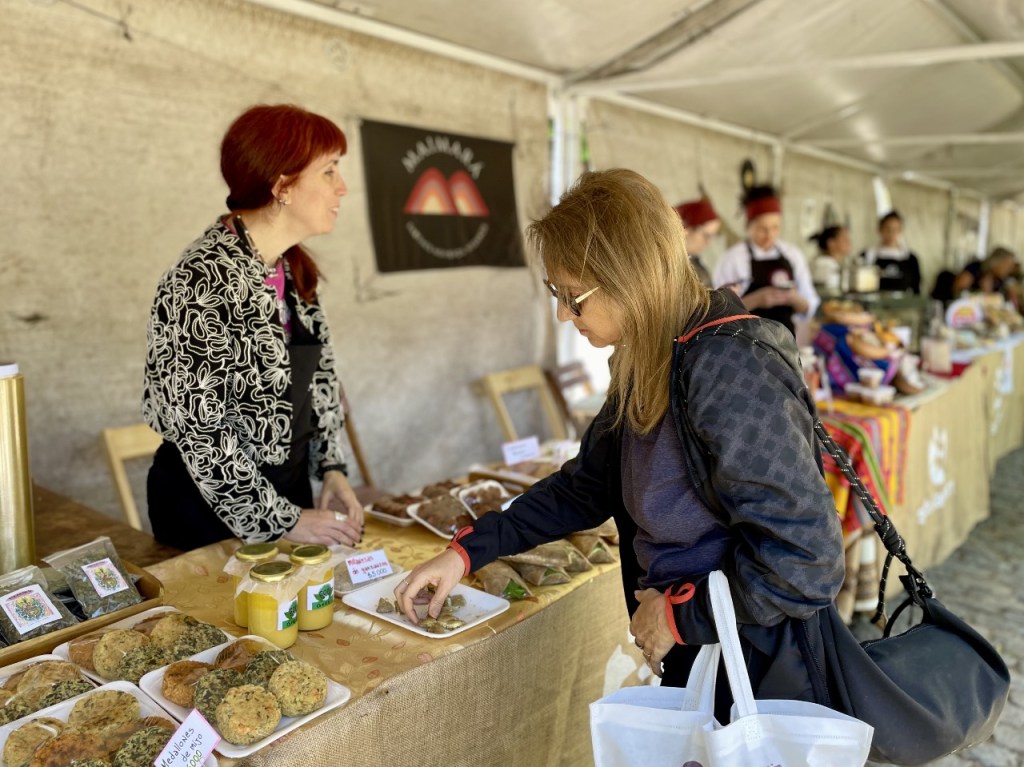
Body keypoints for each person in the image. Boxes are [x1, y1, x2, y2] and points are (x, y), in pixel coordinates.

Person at [396, 169, 844, 712]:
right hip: (701, 647)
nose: (563, 314)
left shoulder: (729, 366)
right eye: (555, 294)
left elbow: (807, 559)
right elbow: (587, 486)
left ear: (627, 276)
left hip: (754, 664)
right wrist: (466, 553)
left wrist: (680, 615)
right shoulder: (646, 355)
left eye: (572, 296)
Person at [142, 104, 364, 552]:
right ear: (283, 185)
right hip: (208, 512)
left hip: (291, 495)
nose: (342, 188)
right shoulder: (200, 280)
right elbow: (202, 432)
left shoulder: (291, 270)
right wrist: (283, 520)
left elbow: (318, 380)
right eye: (328, 172)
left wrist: (332, 467)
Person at [712, 185, 819, 337]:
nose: (770, 235)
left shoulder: (792, 255)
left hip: (785, 344)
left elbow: (810, 307)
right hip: (744, 342)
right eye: (762, 228)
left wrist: (793, 298)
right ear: (748, 226)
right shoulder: (732, 259)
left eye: (775, 227)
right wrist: (756, 300)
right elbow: (718, 314)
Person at [860, 210, 921, 294]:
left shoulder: (911, 259)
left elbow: (916, 289)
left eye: (895, 229)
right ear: (880, 229)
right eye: (887, 229)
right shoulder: (868, 255)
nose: (891, 233)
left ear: (900, 230)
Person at [675, 197, 720, 287]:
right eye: (706, 236)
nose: (708, 243)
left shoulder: (694, 260)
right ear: (687, 230)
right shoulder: (674, 266)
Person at [952, 246, 1019, 299]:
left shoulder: (1000, 279)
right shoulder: (975, 269)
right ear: (997, 262)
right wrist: (981, 293)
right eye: (1007, 266)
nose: (1009, 270)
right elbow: (957, 291)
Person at [809, 224, 851, 292]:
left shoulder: (830, 263)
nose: (848, 242)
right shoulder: (824, 264)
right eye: (844, 238)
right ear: (831, 243)